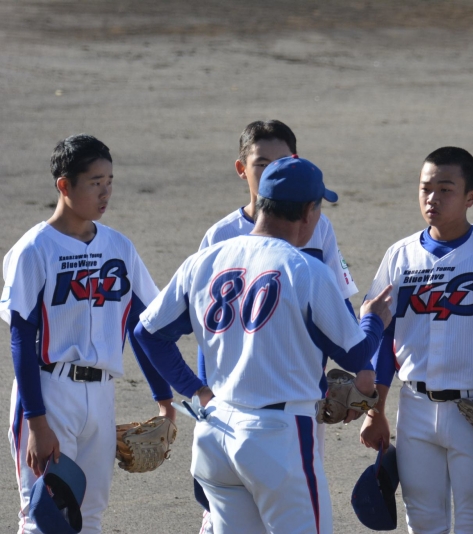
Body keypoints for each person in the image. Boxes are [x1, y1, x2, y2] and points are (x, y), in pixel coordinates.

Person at [133, 155, 393, 534]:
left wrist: (196, 390)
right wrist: (373, 319)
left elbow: (148, 334)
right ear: (307, 212)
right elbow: (357, 354)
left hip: (215, 433)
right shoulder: (306, 270)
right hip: (278, 440)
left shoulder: (204, 261)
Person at [359, 146, 473, 533]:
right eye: (425, 188)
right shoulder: (400, 256)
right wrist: (376, 410)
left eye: (445, 189)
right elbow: (387, 340)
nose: (432, 198)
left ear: (470, 197)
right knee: (422, 521)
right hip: (415, 409)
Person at [195, 120, 366, 533]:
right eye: (261, 163)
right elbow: (205, 331)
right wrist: (202, 393)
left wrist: (344, 378)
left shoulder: (319, 228)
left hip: (301, 396)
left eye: (282, 161)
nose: (271, 171)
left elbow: (337, 306)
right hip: (236, 401)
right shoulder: (220, 235)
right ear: (242, 169)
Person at [0, 135, 175, 534]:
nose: (105, 192)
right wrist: (36, 423)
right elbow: (21, 338)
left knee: (90, 516)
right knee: (43, 518)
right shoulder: (34, 249)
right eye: (95, 182)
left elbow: (144, 327)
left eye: (109, 181)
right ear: (64, 185)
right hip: (49, 393)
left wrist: (164, 398)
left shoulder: (118, 247)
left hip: (101, 396)